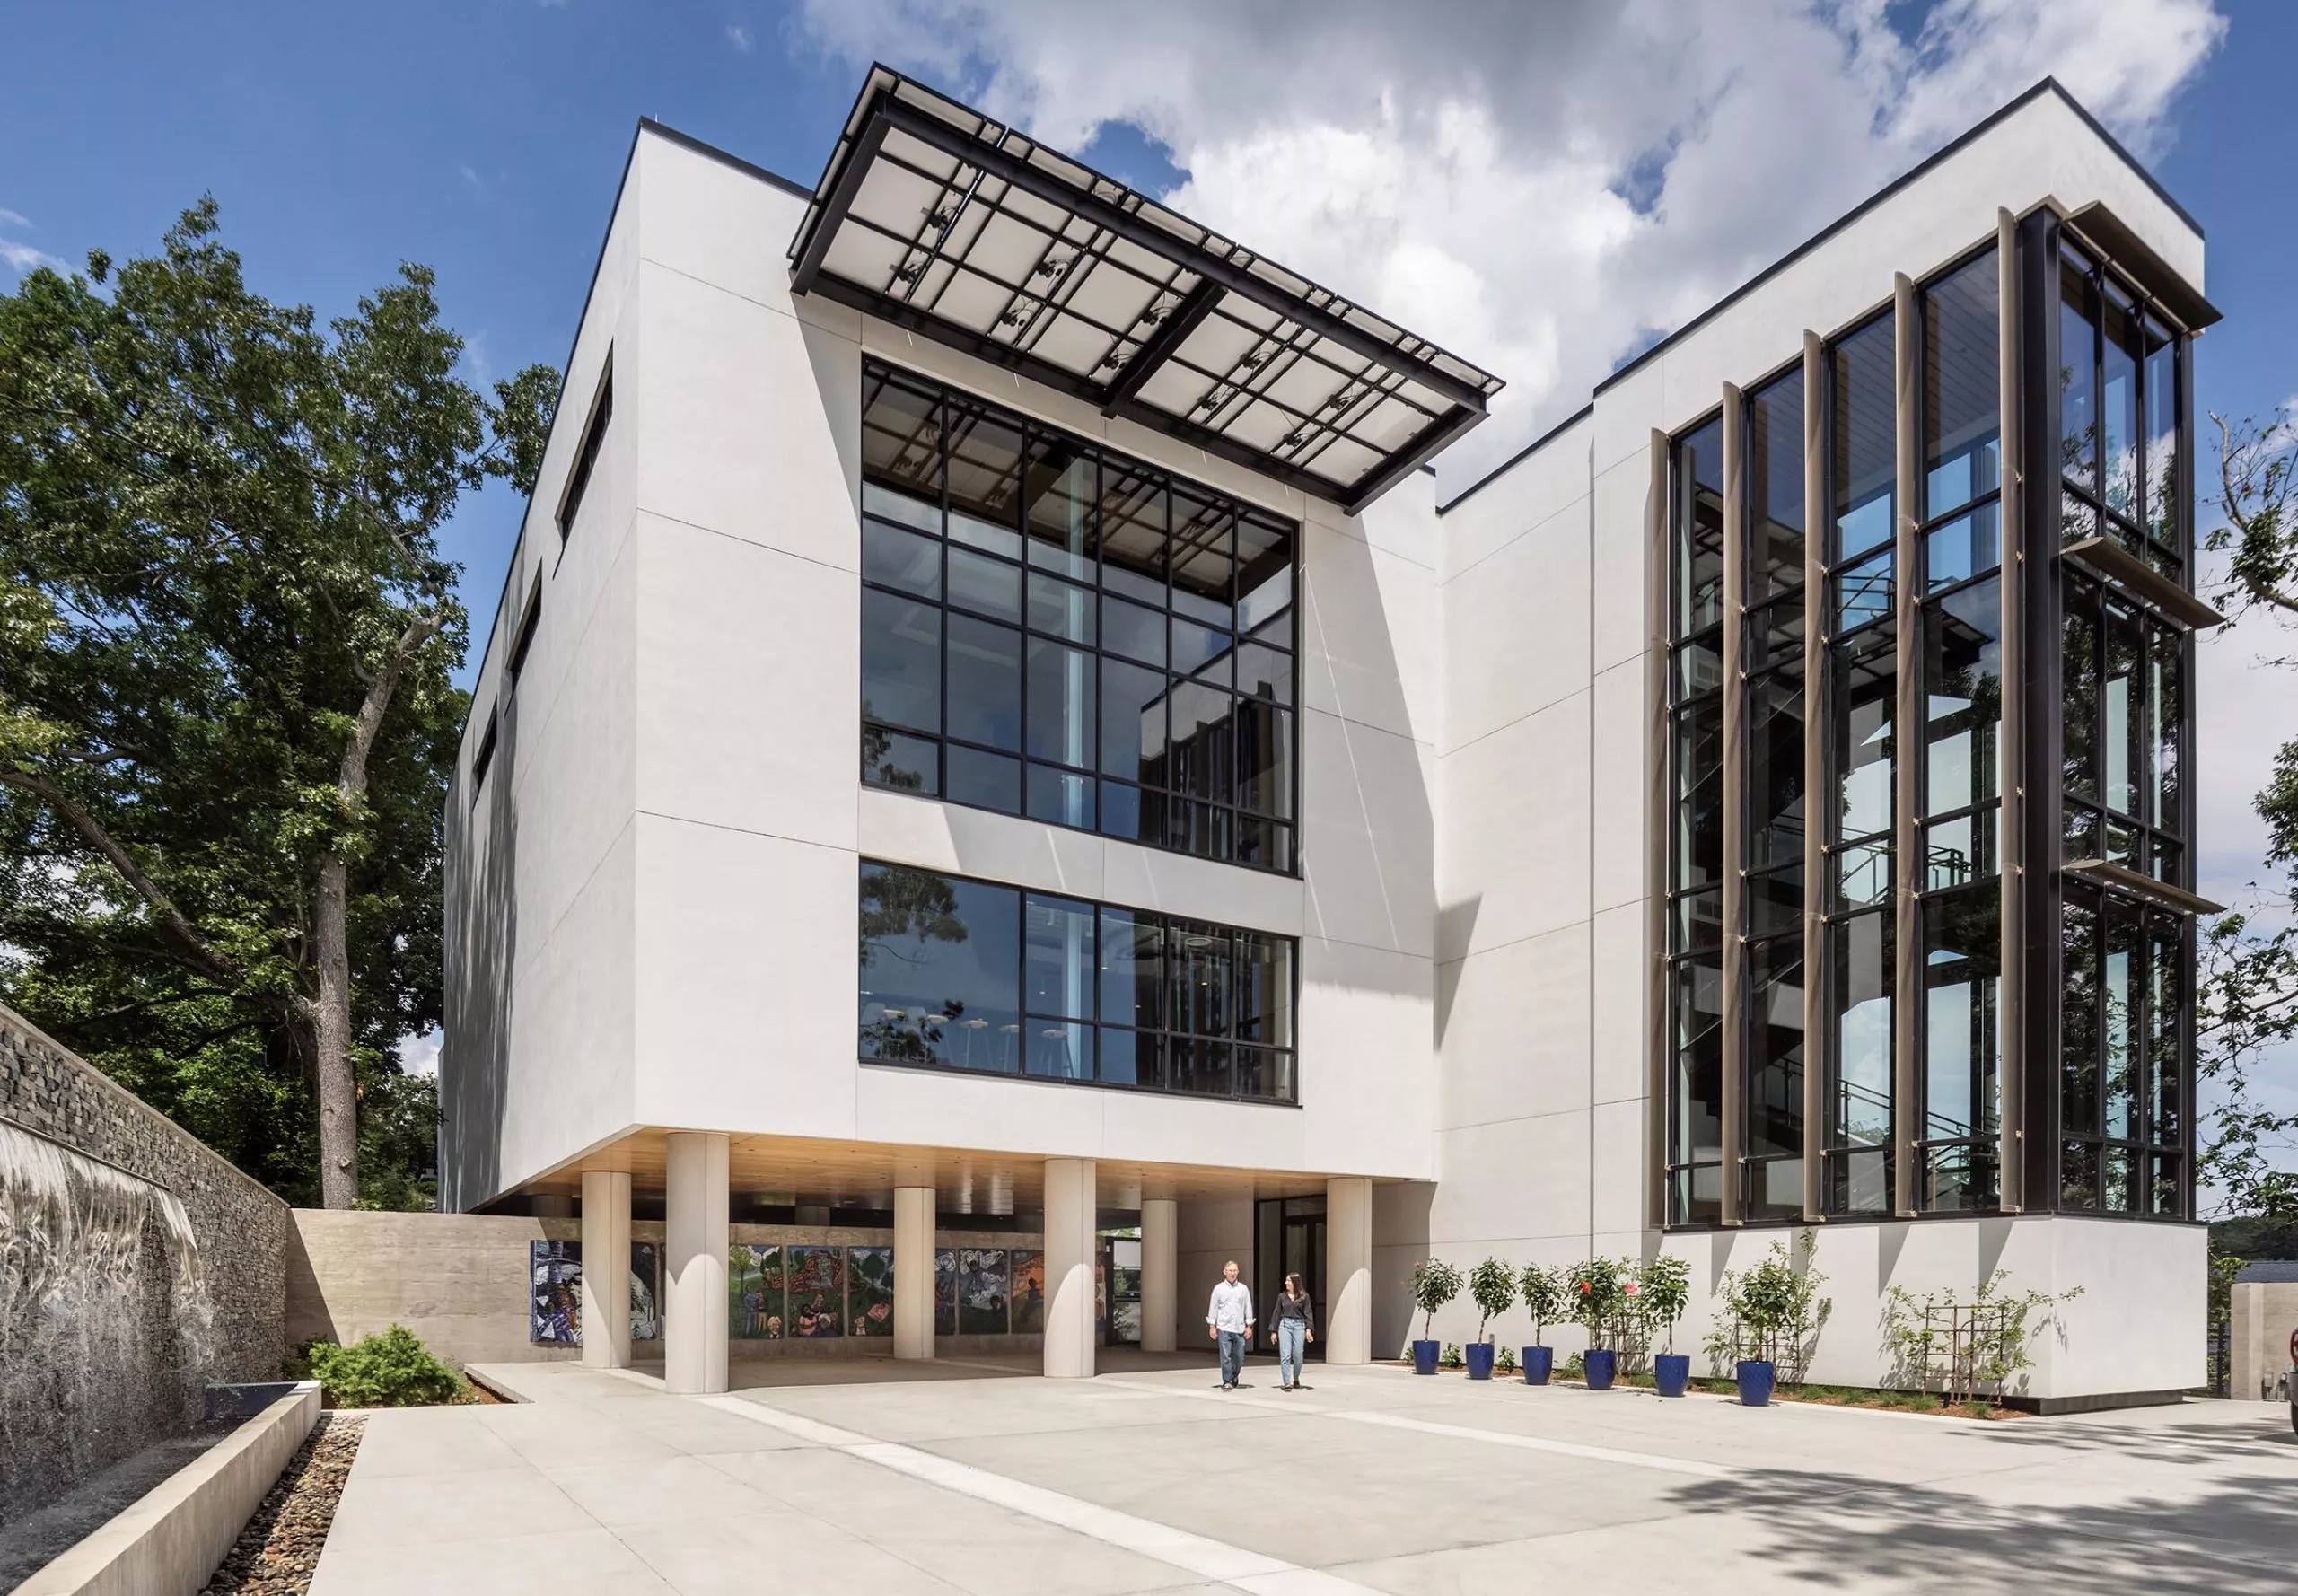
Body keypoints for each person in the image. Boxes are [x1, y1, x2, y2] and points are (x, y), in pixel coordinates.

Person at [1206, 1259, 1254, 1390]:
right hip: (1224, 1327)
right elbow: (1213, 1308)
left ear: (1238, 1272)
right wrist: (1212, 1326)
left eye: (1235, 1271)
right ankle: (1226, 1380)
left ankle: (1235, 1374)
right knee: (1225, 1356)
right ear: (1225, 1272)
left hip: (1239, 1328)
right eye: (1230, 1271)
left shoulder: (1243, 1289)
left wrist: (1249, 1325)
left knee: (1239, 1356)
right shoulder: (1219, 1289)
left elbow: (1247, 1307)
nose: (1233, 1273)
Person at [1267, 1273, 1315, 1390]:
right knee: (1285, 1355)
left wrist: (1309, 1330)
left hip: (1299, 1325)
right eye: (1286, 1281)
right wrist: (1273, 1331)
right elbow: (1277, 1313)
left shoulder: (1304, 1297)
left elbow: (1308, 1313)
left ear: (1295, 1282)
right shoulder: (1282, 1297)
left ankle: (1296, 1377)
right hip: (1285, 1325)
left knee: (1298, 1355)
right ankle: (1286, 1382)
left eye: (1289, 1281)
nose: (1286, 1283)